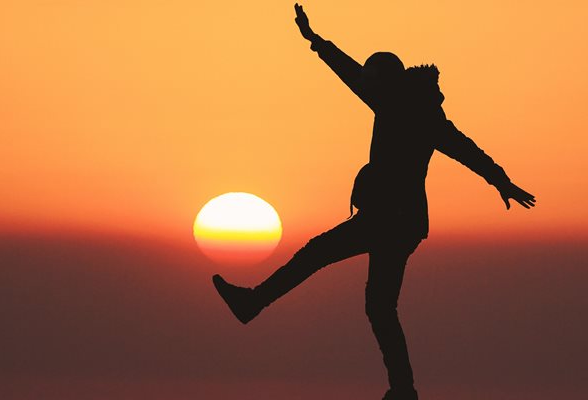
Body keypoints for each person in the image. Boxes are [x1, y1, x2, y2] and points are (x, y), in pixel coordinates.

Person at [212, 4, 536, 399]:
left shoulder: (397, 103)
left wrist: (317, 42)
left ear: (386, 79)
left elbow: (464, 149)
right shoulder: (421, 110)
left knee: (320, 257)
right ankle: (403, 389)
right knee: (379, 307)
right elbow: (468, 150)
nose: (369, 85)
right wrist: (502, 181)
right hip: (404, 223)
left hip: (388, 219)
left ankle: (253, 303)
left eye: (373, 79)